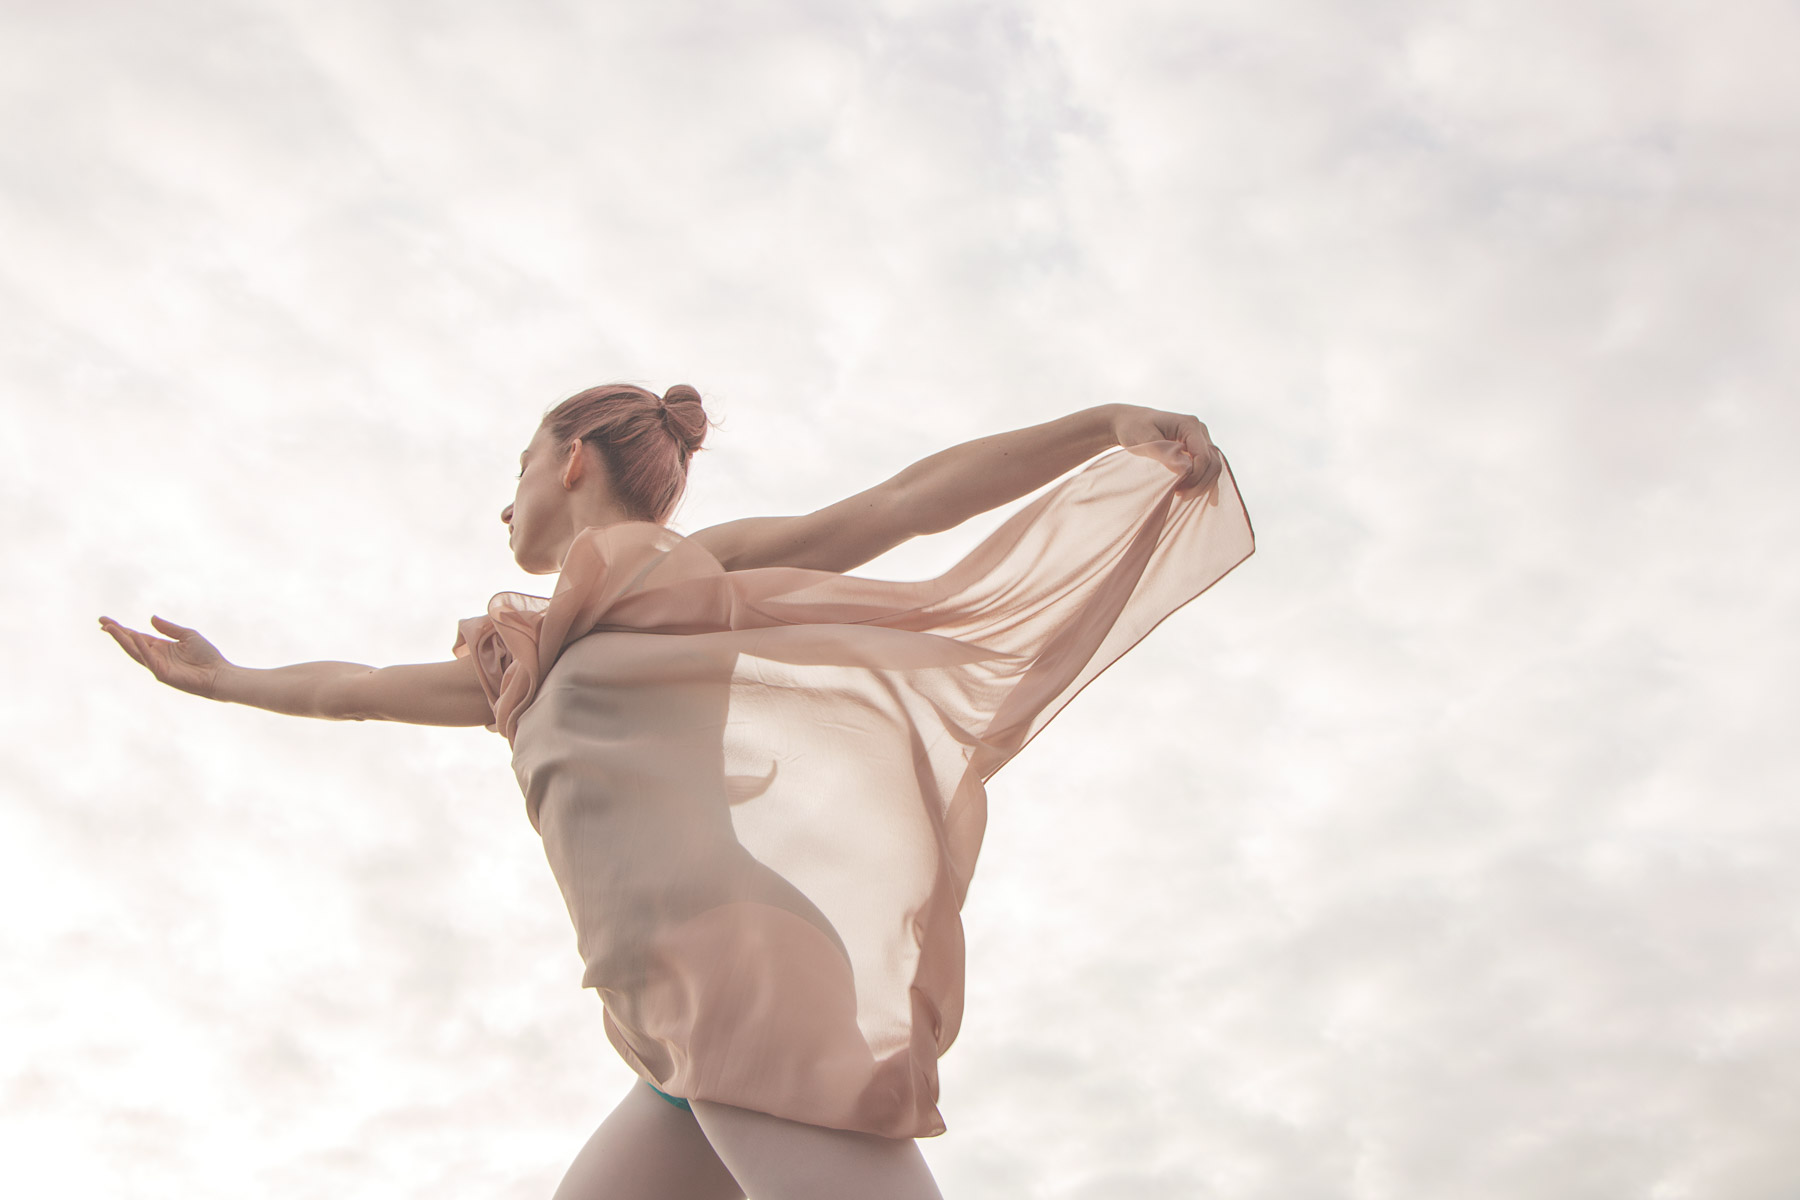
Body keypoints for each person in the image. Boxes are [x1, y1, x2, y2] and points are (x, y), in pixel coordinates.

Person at [100, 381, 1254, 1200]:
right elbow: (352, 690)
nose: (503, 503)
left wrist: (1102, 425)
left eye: (515, 467)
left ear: (569, 461)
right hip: (661, 1010)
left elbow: (898, 505)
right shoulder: (520, 659)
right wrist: (227, 680)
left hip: (731, 963)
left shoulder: (679, 567)